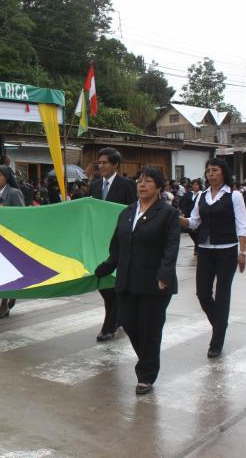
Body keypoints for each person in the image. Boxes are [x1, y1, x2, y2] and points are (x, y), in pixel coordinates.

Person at [94, 166, 180, 395]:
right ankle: (148, 359)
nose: (142, 184)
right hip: (127, 280)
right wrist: (104, 268)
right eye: (139, 181)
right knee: (128, 322)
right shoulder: (127, 212)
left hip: (154, 282)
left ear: (159, 187)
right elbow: (117, 247)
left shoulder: (168, 214)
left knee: (150, 329)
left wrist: (165, 274)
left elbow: (171, 247)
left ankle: (146, 375)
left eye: (148, 181)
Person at [180, 158, 246, 358]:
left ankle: (216, 341)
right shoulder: (201, 195)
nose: (210, 173)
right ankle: (220, 325)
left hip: (227, 249)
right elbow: (193, 222)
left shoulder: (234, 195)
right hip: (205, 249)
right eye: (208, 170)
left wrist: (242, 253)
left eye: (214, 170)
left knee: (223, 293)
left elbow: (242, 225)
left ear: (223, 173)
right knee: (202, 293)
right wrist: (173, 217)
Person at [89, 147, 137, 342]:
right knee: (104, 284)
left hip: (120, 243)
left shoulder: (127, 185)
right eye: (99, 163)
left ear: (115, 164)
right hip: (100, 242)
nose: (101, 166)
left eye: (105, 163)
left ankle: (109, 326)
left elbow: (133, 210)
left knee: (114, 285)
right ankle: (119, 319)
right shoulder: (94, 186)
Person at [0, 166, 25, 320]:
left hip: (11, 238)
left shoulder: (14, 193)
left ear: (7, 177)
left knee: (8, 270)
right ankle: (12, 293)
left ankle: (3, 305)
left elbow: (23, 214)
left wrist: (5, 210)